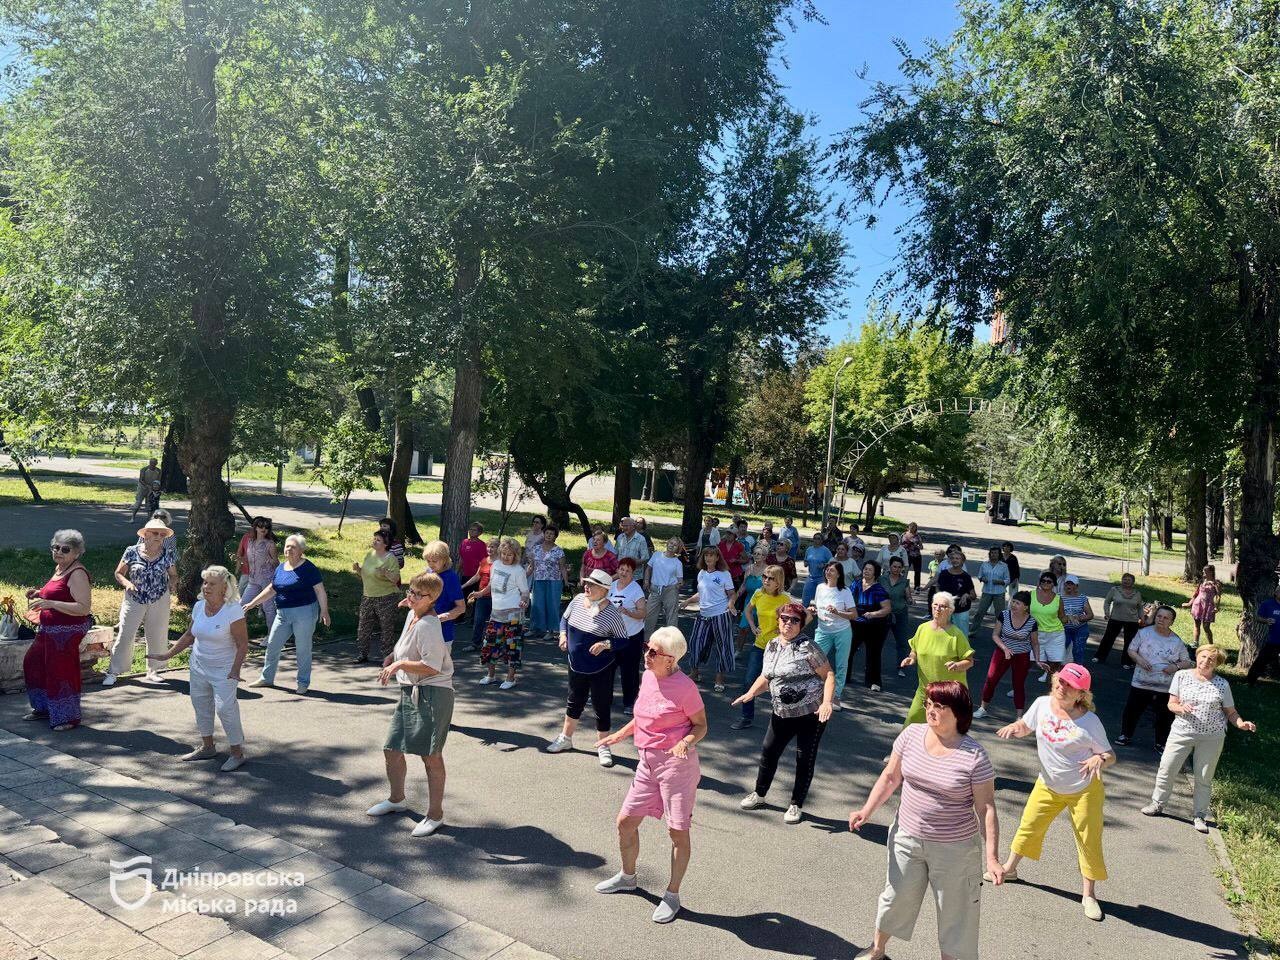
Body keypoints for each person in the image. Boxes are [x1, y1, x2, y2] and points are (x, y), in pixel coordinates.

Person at [847, 681, 1002, 960]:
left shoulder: (975, 756)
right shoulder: (911, 735)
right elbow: (890, 777)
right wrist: (867, 811)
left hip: (955, 849)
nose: (930, 710)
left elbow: (986, 808)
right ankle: (877, 949)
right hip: (906, 836)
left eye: (939, 706)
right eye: (928, 704)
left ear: (958, 712)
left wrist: (992, 858)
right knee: (896, 897)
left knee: (957, 913)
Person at [594, 626, 708, 924]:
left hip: (677, 769)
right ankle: (627, 877)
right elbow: (642, 716)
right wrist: (619, 735)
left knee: (677, 832)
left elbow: (700, 725)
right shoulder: (648, 676)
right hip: (647, 764)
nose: (647, 654)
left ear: (670, 659)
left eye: (653, 652)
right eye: (647, 648)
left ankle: (672, 895)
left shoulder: (685, 688)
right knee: (625, 822)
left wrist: (685, 742)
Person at [993, 664, 1113, 921]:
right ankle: (1009, 869)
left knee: (1088, 840)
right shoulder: (1042, 704)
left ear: (1081, 694)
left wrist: (1099, 759)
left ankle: (1089, 895)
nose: (1062, 686)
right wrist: (1015, 727)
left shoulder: (1090, 722)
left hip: (1083, 790)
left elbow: (1109, 755)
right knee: (1029, 826)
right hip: (1048, 784)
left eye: (1070, 685)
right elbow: (1026, 726)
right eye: (1061, 681)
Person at [366, 571, 454, 838]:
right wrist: (394, 656)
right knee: (392, 749)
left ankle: (435, 815)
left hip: (433, 694)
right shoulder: (412, 614)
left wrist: (400, 664)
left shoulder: (429, 625)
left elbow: (432, 666)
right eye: (410, 591)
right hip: (410, 691)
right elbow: (405, 644)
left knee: (431, 756)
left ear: (433, 598)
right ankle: (397, 800)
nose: (412, 597)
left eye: (418, 594)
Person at [733, 601, 835, 824]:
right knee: (769, 752)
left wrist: (827, 703)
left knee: (804, 759)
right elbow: (767, 676)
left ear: (801, 624)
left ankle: (796, 804)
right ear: (778, 620)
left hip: (811, 714)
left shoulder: (808, 647)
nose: (788, 623)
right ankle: (759, 794)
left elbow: (828, 675)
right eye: (785, 618)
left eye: (794, 620)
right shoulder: (771, 645)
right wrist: (751, 693)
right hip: (781, 713)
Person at [1143, 645, 1258, 833]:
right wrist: (1181, 708)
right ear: (1197, 656)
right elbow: (1171, 704)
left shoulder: (1222, 684)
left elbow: (1231, 712)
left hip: (1211, 738)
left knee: (1204, 777)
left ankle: (1199, 815)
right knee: (1167, 768)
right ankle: (1157, 804)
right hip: (1182, 732)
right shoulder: (1181, 676)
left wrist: (1240, 723)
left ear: (1217, 664)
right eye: (1203, 656)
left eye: (1211, 659)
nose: (1205, 661)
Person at [147, 566, 248, 772]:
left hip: (224, 669)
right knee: (201, 705)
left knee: (225, 709)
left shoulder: (233, 610)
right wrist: (167, 655)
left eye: (212, 584)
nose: (206, 587)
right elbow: (189, 635)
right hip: (198, 665)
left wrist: (236, 670)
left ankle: (237, 753)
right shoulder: (199, 606)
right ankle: (207, 747)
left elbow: (242, 643)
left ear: (224, 588)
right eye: (205, 582)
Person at [546, 570, 630, 765]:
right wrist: (563, 636)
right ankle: (565, 738)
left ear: (604, 590)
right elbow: (564, 620)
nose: (586, 586)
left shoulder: (612, 613)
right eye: (587, 583)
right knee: (574, 701)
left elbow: (623, 640)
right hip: (576, 665)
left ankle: (603, 745)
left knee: (601, 705)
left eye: (592, 585)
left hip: (601, 668)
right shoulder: (577, 600)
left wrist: (605, 644)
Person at [22, 529, 93, 731]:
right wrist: (39, 593)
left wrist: (51, 603)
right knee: (34, 663)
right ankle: (43, 708)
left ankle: (67, 717)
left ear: (77, 553)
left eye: (65, 549)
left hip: (66, 632)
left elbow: (83, 608)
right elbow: (60, 592)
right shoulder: (60, 568)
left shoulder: (77, 573)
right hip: (49, 629)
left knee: (61, 672)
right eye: (55, 547)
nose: (58, 551)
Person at [245, 534, 330, 695]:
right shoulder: (281, 568)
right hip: (282, 614)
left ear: (301, 551)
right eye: (287, 546)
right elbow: (272, 588)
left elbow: (320, 590)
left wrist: (324, 610)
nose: (289, 549)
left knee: (303, 649)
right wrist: (252, 603)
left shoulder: (308, 568)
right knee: (272, 645)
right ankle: (266, 678)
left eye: (293, 547)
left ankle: (303, 682)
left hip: (304, 613)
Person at [105, 518, 177, 686]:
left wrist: (173, 583)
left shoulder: (168, 553)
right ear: (145, 534)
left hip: (159, 597)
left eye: (162, 534)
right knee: (125, 633)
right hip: (134, 597)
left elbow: (173, 574)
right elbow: (118, 573)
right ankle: (114, 671)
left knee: (157, 634)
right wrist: (127, 584)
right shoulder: (131, 551)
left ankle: (153, 670)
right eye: (155, 533)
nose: (159, 537)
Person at [1116, 605, 1193, 749]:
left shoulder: (1176, 641)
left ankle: (1161, 743)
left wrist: (1175, 667)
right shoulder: (1143, 633)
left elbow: (1187, 661)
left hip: (1165, 686)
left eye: (1166, 618)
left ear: (1171, 622)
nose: (1161, 620)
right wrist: (1139, 660)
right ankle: (1125, 735)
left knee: (1164, 715)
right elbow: (1131, 650)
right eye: (1159, 616)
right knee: (1132, 710)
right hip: (1141, 682)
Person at [901, 592, 975, 725]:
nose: (938, 608)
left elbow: (970, 661)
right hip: (925, 691)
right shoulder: (922, 628)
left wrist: (957, 665)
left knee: (945, 729)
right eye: (935, 605)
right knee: (911, 724)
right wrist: (911, 658)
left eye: (943, 606)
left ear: (950, 610)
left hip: (948, 695)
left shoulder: (956, 635)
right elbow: (915, 649)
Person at [734, 565, 790, 730]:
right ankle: (746, 717)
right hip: (759, 645)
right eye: (764, 577)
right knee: (749, 681)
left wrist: (784, 631)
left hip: (779, 648)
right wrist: (752, 626)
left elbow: (801, 617)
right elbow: (748, 611)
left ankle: (783, 721)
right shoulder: (758, 594)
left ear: (778, 582)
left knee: (779, 686)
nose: (766, 580)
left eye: (770, 578)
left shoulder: (785, 598)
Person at [974, 592, 1040, 719]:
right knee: (991, 679)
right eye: (1013, 601)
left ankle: (1019, 717)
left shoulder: (1032, 622)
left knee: (1018, 685)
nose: (1013, 605)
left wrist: (1037, 660)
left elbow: (1035, 643)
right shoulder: (1004, 615)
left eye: (1018, 603)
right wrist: (1005, 648)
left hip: (1022, 654)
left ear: (1026, 607)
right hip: (1002, 651)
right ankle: (983, 708)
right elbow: (995, 635)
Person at [681, 547, 737, 690]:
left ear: (717, 558)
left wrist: (731, 603)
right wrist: (688, 601)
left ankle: (719, 679)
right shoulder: (701, 573)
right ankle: (695, 673)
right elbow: (701, 593)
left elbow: (732, 593)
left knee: (722, 647)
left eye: (711, 555)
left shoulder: (724, 574)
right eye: (706, 555)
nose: (708, 558)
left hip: (720, 615)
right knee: (695, 644)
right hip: (703, 615)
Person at [478, 537, 529, 689]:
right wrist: (480, 593)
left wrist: (524, 601)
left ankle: (510, 678)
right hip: (496, 613)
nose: (506, 557)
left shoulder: (518, 571)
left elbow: (525, 592)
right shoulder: (495, 565)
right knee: (490, 645)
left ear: (516, 555)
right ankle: (491, 675)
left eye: (510, 554)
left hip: (513, 615)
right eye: (504, 554)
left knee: (512, 647)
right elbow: (491, 585)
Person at [807, 561, 856, 708]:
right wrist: (813, 609)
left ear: (839, 574)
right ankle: (815, 693)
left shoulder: (845, 591)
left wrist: (837, 612)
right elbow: (816, 606)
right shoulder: (820, 587)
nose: (828, 572)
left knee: (841, 665)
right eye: (827, 569)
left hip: (842, 631)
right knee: (814, 662)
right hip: (823, 630)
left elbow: (854, 615)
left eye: (832, 570)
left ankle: (836, 696)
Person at [352, 530, 403, 665]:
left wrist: (385, 573)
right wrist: (358, 570)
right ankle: (362, 654)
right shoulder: (370, 554)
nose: (374, 541)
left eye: (378, 540)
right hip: (368, 596)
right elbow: (366, 575)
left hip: (386, 597)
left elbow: (396, 579)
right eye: (374, 539)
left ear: (386, 544)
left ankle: (387, 657)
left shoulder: (390, 558)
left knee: (386, 628)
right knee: (363, 627)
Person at [609, 558, 648, 715]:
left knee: (629, 671)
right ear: (617, 570)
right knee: (606, 668)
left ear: (633, 573)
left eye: (628, 570)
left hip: (631, 636)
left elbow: (643, 613)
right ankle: (603, 696)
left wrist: (628, 612)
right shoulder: (611, 586)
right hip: (612, 635)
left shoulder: (636, 590)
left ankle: (629, 702)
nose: (624, 573)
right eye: (621, 569)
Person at [850, 560, 893, 692]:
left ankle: (874, 682)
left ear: (875, 573)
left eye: (870, 569)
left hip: (875, 626)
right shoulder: (856, 584)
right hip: (856, 623)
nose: (866, 571)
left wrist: (873, 614)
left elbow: (887, 609)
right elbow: (847, 598)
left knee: (873, 653)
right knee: (848, 650)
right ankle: (844, 677)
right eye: (865, 569)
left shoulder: (879, 589)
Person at [526, 523, 568, 639]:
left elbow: (563, 568)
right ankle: (535, 628)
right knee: (537, 604)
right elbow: (531, 566)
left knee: (552, 605)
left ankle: (552, 631)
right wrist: (523, 577)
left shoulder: (559, 551)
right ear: (544, 534)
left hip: (554, 581)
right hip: (539, 580)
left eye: (552, 534)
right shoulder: (536, 549)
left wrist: (566, 582)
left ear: (555, 537)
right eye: (547, 533)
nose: (549, 535)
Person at [237, 517, 278, 633]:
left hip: (267, 580)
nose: (264, 529)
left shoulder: (270, 544)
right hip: (253, 580)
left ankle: (272, 636)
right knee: (241, 606)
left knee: (268, 608)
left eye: (267, 527)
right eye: (261, 526)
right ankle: (238, 633)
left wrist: (271, 560)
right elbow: (248, 559)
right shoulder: (250, 542)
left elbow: (276, 563)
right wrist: (241, 560)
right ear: (255, 527)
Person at [423, 541, 466, 643]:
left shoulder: (451, 578)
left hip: (442, 634)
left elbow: (461, 608)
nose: (431, 565)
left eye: (434, 561)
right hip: (424, 629)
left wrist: (439, 618)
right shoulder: (428, 572)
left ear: (444, 560)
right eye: (428, 561)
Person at [1096, 573, 1144, 666]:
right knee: (1108, 638)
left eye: (1129, 580)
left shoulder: (1137, 593)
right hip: (1115, 618)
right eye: (1124, 579)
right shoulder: (1114, 590)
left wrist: (1142, 618)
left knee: (1129, 642)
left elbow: (1140, 607)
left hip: (1132, 621)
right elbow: (1107, 602)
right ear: (1121, 580)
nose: (1126, 581)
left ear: (1133, 582)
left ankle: (1127, 662)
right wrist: (1107, 612)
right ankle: (1099, 657)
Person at [643, 537, 684, 639]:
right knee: (649, 616)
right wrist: (646, 581)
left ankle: (672, 641)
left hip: (670, 590)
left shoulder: (677, 562)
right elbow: (648, 568)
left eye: (675, 545)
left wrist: (678, 585)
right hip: (655, 589)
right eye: (671, 543)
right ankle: (646, 641)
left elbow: (680, 580)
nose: (672, 546)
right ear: (667, 543)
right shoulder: (656, 555)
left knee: (671, 617)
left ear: (678, 549)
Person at [1030, 571, 1067, 682]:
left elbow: (1062, 617)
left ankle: (1050, 681)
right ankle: (1018, 684)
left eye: (1049, 581)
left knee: (1056, 660)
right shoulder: (1031, 595)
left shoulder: (1058, 599)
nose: (1045, 583)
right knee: (1032, 660)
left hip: (1056, 633)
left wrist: (1073, 618)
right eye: (1043, 581)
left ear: (1054, 584)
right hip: (1036, 633)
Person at [462, 538, 498, 648]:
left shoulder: (500, 563)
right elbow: (477, 576)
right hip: (482, 597)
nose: (490, 549)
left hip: (496, 597)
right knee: (478, 621)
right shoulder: (484, 560)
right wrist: (463, 586)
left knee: (494, 623)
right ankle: (475, 643)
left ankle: (493, 646)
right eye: (488, 546)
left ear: (498, 548)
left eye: (493, 547)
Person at [970, 546, 1009, 642]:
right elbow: (979, 575)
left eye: (995, 553)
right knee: (980, 612)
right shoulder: (984, 564)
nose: (993, 555)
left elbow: (1008, 579)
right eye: (992, 553)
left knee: (1000, 614)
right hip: (987, 592)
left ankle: (1002, 634)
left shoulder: (1003, 566)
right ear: (989, 554)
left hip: (999, 592)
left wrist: (1000, 582)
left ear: (999, 554)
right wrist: (982, 579)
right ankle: (972, 631)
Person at [881, 556, 913, 674]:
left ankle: (901, 667)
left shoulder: (904, 581)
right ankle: (872, 665)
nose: (897, 569)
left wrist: (910, 600)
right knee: (878, 641)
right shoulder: (882, 579)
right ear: (890, 567)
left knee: (902, 642)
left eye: (899, 567)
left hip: (900, 614)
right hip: (883, 614)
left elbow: (908, 596)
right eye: (894, 566)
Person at [935, 547, 976, 637]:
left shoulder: (966, 576)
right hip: (945, 609)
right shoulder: (944, 574)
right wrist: (940, 599)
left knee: (962, 636)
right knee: (943, 636)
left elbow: (973, 596)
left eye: (957, 558)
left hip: (961, 610)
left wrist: (966, 595)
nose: (955, 560)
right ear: (950, 560)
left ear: (962, 561)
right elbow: (938, 588)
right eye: (952, 558)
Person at [734, 544, 769, 650]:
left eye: (759, 554)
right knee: (743, 628)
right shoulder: (749, 568)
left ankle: (762, 651)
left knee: (763, 629)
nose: (756, 555)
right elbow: (744, 585)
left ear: (764, 557)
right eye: (755, 553)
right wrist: (734, 598)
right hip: (749, 601)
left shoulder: (768, 570)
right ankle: (738, 651)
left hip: (764, 602)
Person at [1247, 582, 1280, 684]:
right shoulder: (1267, 604)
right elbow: (1257, 617)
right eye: (1279, 591)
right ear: (1276, 593)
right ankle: (1250, 681)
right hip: (1274, 639)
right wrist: (1266, 620)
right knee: (1262, 660)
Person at [1061, 575, 1095, 664]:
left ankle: (1078, 668)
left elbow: (1090, 615)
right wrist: (1068, 617)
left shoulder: (1082, 598)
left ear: (1076, 586)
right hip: (1064, 628)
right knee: (1060, 650)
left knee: (1078, 650)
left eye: (1071, 584)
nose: (1068, 586)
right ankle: (1056, 669)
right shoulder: (1058, 597)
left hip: (1080, 629)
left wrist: (1079, 618)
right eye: (1067, 584)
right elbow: (1055, 614)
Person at [1185, 563, 1223, 645]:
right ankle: (1195, 643)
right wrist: (1189, 603)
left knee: (1206, 627)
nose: (1203, 572)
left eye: (1205, 571)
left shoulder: (1216, 583)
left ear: (1211, 572)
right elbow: (1196, 594)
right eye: (1203, 571)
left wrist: (1217, 606)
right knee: (1196, 624)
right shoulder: (1202, 581)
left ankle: (1211, 645)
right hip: (1198, 605)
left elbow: (1218, 596)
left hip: (1208, 607)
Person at [456, 523, 488, 616]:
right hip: (465, 574)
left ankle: (474, 617)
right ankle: (461, 616)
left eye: (474, 530)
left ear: (480, 533)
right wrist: (457, 571)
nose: (471, 531)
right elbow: (462, 558)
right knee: (463, 596)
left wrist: (480, 575)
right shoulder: (464, 542)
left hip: (476, 576)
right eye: (470, 529)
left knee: (475, 597)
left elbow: (484, 561)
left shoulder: (482, 545)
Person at [802, 532, 833, 607]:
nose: (816, 540)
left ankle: (820, 610)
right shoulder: (809, 549)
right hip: (811, 576)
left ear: (822, 540)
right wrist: (806, 563)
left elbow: (832, 562)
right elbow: (805, 560)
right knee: (806, 595)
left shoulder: (825, 550)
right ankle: (804, 610)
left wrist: (824, 565)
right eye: (815, 538)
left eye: (818, 539)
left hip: (821, 577)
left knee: (821, 596)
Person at [901, 523, 925, 591]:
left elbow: (921, 547)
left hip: (916, 555)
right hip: (906, 555)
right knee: (904, 570)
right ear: (908, 527)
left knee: (917, 571)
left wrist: (916, 546)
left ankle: (917, 586)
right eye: (911, 526)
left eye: (914, 527)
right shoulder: (904, 534)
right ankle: (901, 584)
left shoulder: (917, 536)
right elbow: (900, 544)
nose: (912, 528)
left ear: (916, 528)